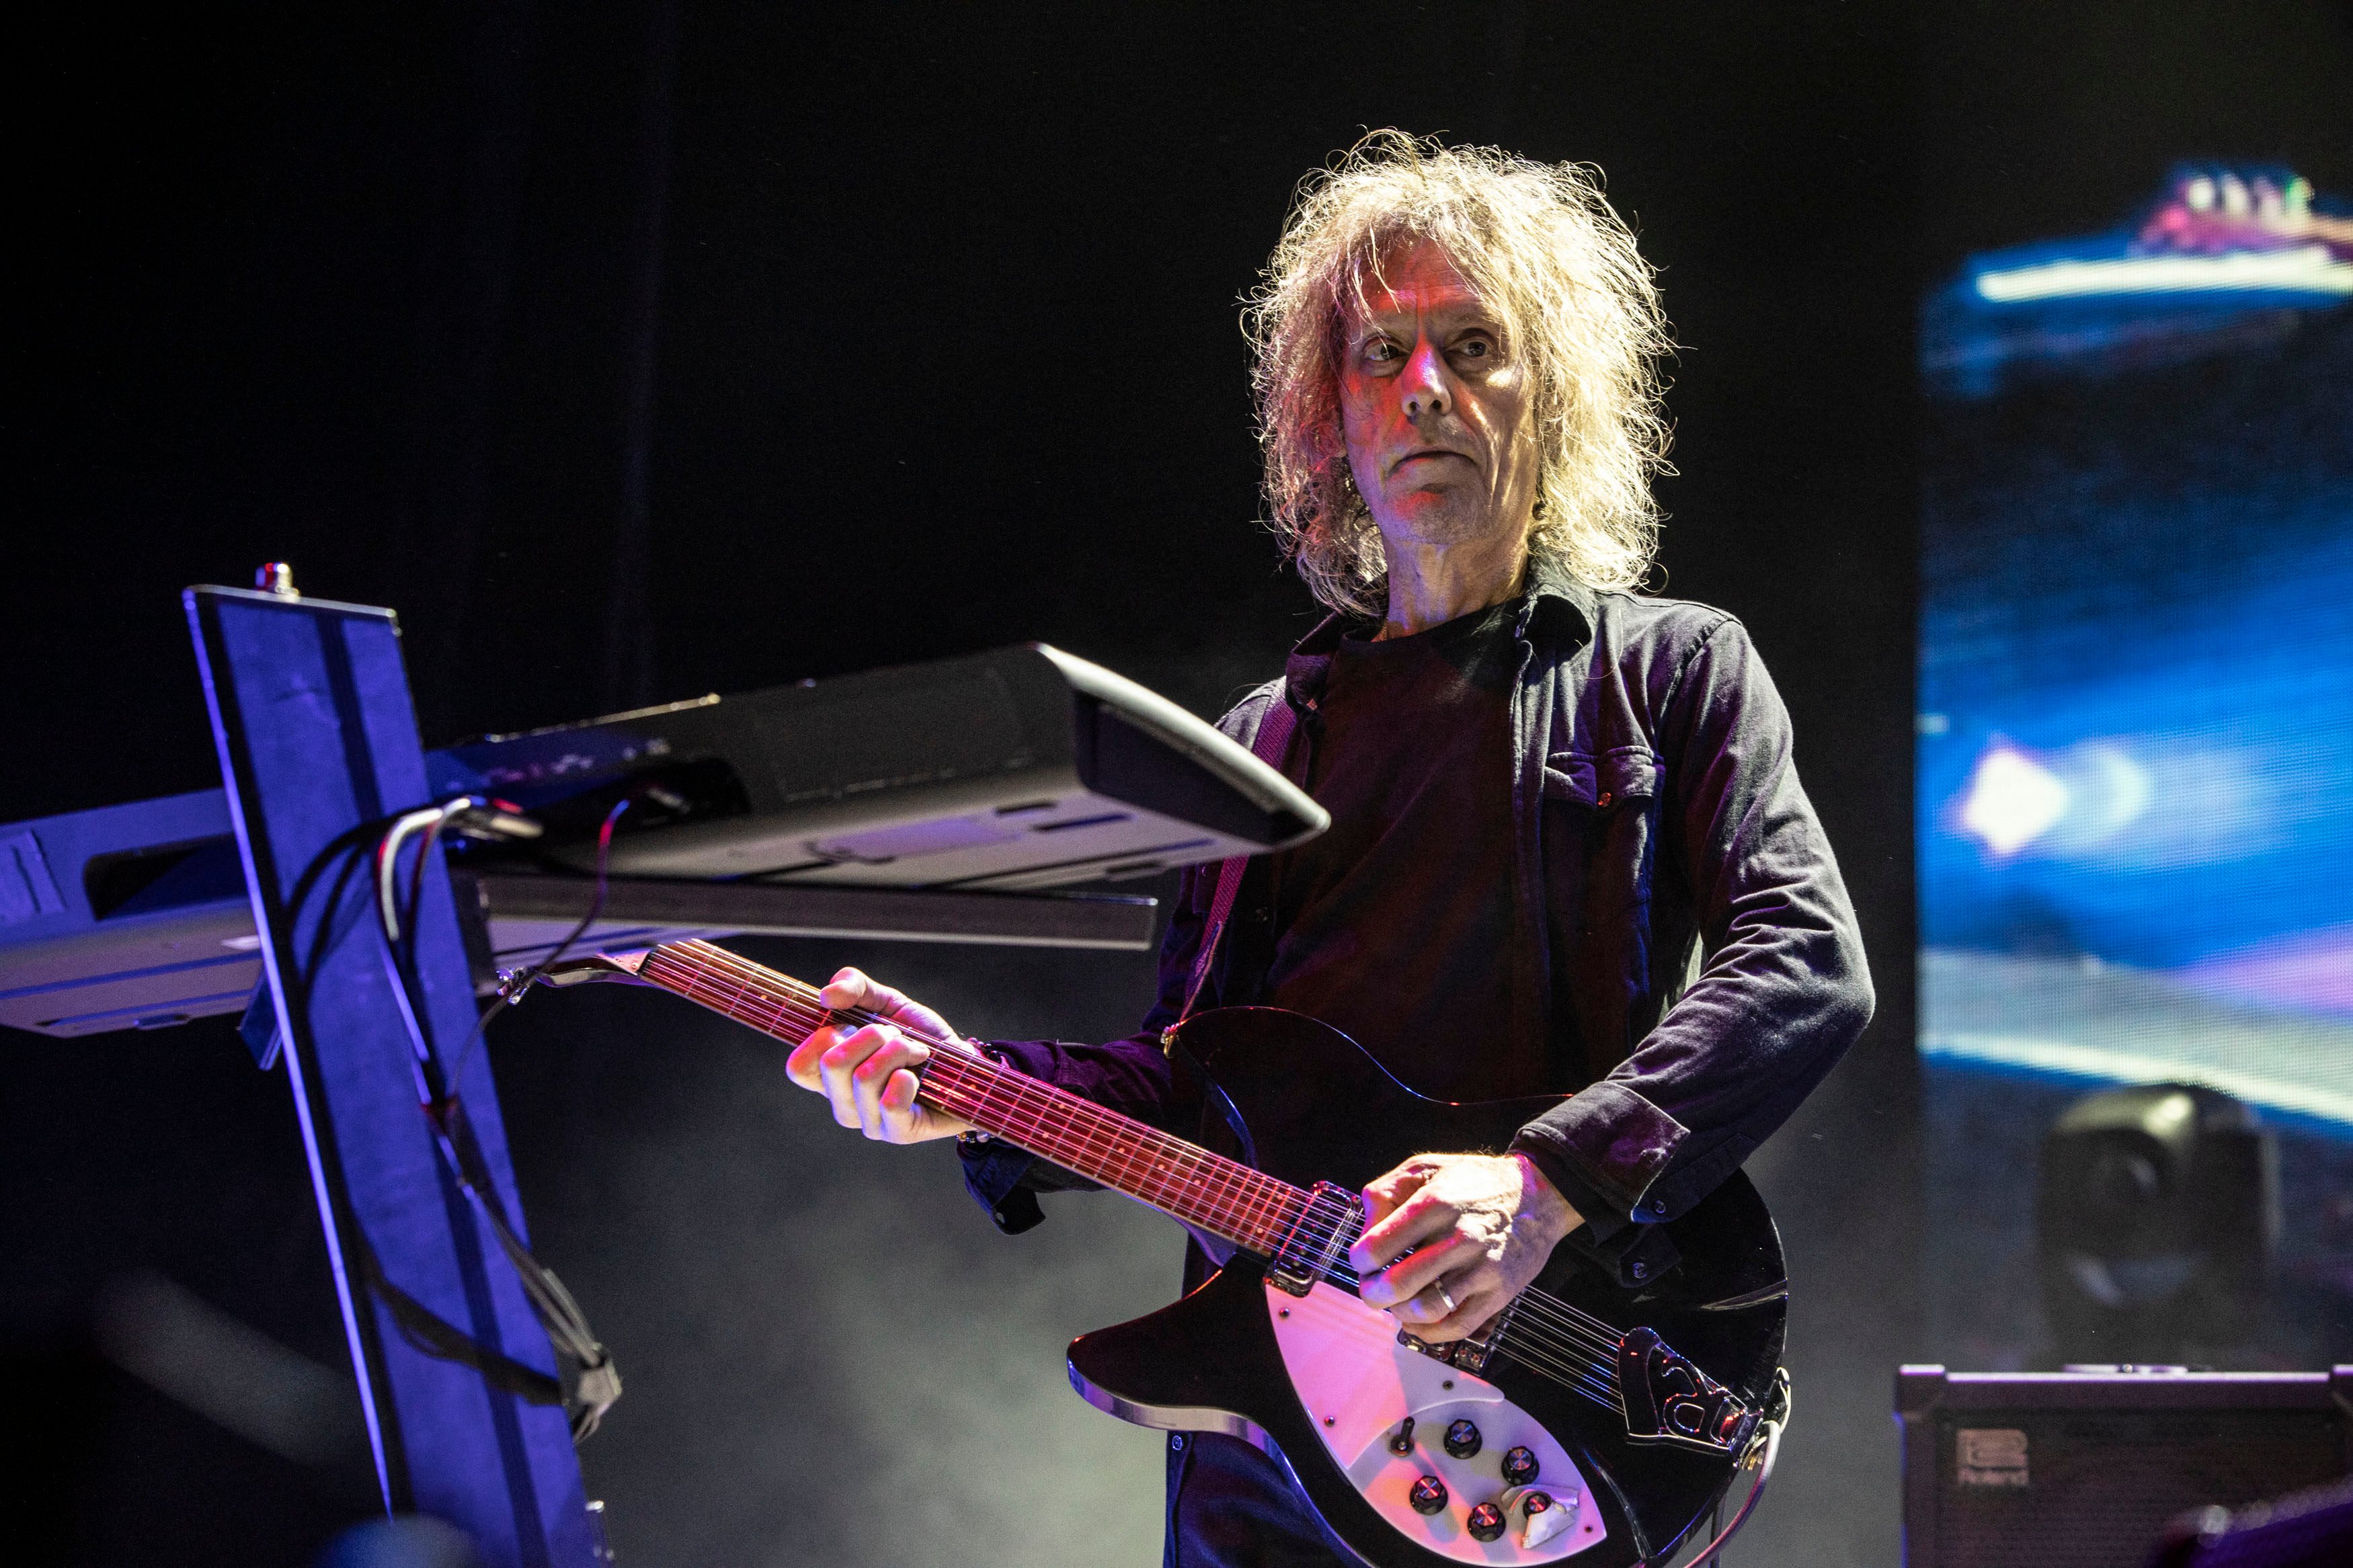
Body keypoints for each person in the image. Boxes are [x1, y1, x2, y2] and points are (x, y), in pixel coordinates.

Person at [783, 130, 1874, 1567]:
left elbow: (1804, 963)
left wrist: (1540, 1189)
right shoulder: (1259, 745)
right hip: (1273, 1439)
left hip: (1553, 1380)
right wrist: (971, 1089)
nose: (1426, 386)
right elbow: (1187, 1075)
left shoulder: (1666, 672)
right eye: (1381, 354)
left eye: (1473, 344)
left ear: (1547, 393)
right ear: (1329, 419)